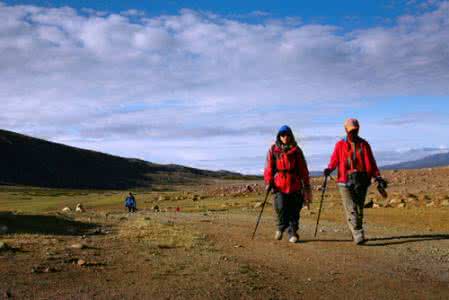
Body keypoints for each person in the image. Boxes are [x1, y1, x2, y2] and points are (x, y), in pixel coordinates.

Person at [324, 118, 387, 245]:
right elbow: (334, 160)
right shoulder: (340, 145)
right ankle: (358, 233)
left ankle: (356, 231)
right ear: (346, 130)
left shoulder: (364, 144)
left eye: (356, 130)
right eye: (351, 130)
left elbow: (371, 163)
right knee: (351, 207)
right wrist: (329, 168)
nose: (354, 133)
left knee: (359, 208)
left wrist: (377, 176)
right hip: (344, 181)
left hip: (361, 180)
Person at [264, 125, 312, 243]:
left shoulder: (296, 150)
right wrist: (268, 181)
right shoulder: (273, 150)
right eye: (282, 135)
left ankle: (292, 232)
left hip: (294, 184)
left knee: (294, 210)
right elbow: (269, 167)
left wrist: (306, 185)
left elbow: (303, 169)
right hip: (279, 184)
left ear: (291, 135)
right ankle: (281, 227)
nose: (285, 137)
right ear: (279, 136)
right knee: (280, 207)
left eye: (287, 135)